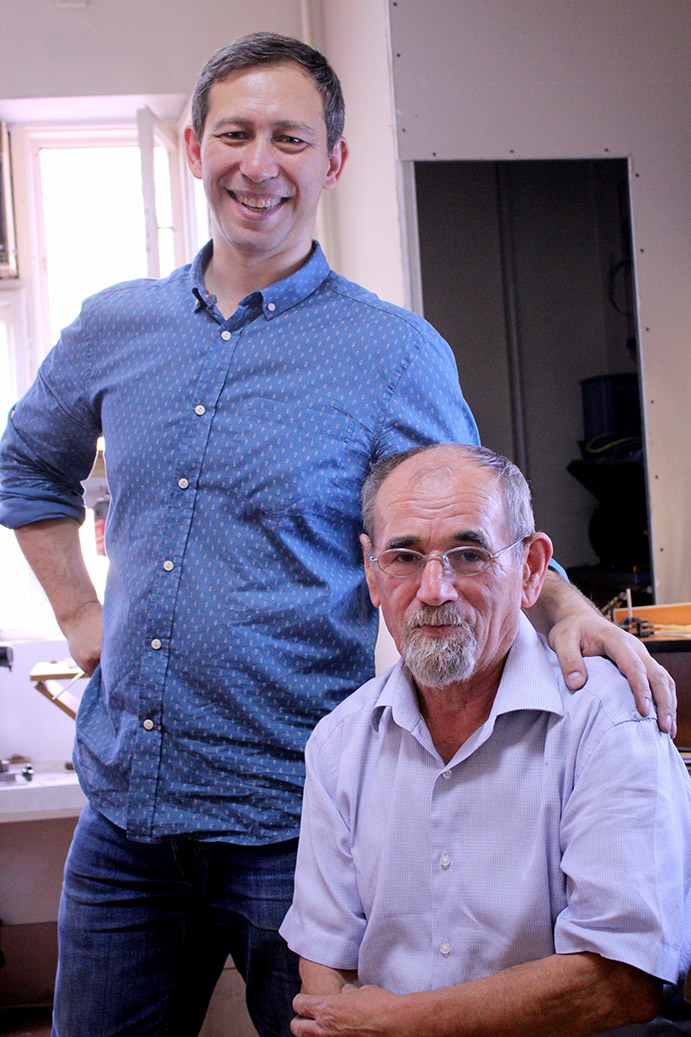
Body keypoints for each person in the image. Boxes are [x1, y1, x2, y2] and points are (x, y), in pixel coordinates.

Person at [0, 32, 677, 1037]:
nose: (259, 164)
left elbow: (470, 518)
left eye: (290, 138)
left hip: (294, 822)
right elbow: (26, 464)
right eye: (235, 133)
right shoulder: (114, 325)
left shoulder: (391, 351)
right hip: (125, 817)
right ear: (194, 147)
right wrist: (78, 614)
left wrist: (570, 608)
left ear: (333, 160)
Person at [281, 443, 691, 1037]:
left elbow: (620, 981)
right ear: (371, 573)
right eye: (404, 557)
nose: (434, 590)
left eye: (469, 555)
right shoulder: (338, 744)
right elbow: (325, 967)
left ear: (531, 570)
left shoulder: (608, 721)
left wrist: (403, 1025)